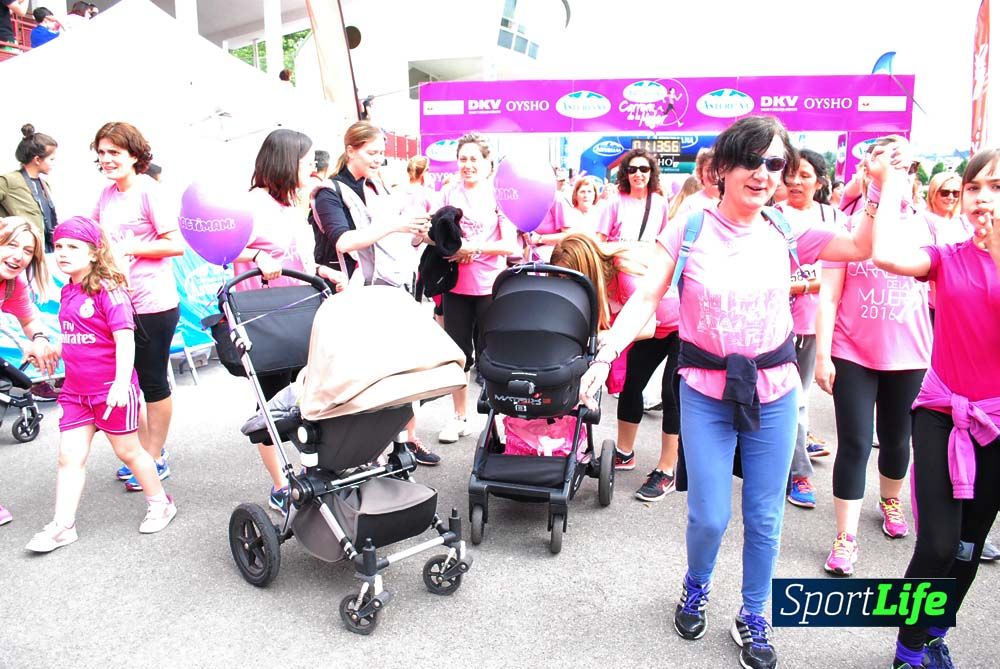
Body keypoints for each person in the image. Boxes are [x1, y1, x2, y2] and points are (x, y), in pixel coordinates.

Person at [578, 116, 878, 669]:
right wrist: (604, 355)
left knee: (766, 516)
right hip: (704, 391)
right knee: (710, 515)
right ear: (721, 170)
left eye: (775, 164)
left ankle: (755, 613)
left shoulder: (788, 229)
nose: (764, 174)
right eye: (753, 161)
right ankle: (696, 585)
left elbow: (860, 244)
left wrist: (879, 185)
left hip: (775, 390)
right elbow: (646, 297)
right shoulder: (689, 228)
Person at [872, 146, 1000, 669]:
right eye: (974, 187)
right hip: (942, 412)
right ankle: (907, 646)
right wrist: (891, 182)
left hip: (996, 424)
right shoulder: (947, 256)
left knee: (969, 550)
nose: (980, 198)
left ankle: (933, 634)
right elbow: (884, 256)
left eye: (995, 187)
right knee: (939, 546)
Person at [814, 136, 932, 576]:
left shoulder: (929, 225)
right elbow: (828, 297)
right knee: (856, 442)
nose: (889, 168)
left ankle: (890, 500)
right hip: (853, 353)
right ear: (866, 170)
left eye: (899, 161)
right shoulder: (847, 226)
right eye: (881, 160)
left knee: (898, 439)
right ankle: (845, 536)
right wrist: (823, 356)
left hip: (910, 355)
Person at [25, 217, 177, 553]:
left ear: (94, 253)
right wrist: (56, 349)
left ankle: (160, 503)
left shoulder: (110, 290)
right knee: (68, 458)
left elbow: (125, 340)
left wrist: (122, 385)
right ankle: (63, 526)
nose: (63, 253)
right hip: (77, 394)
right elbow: (81, 338)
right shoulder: (68, 291)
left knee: (129, 452)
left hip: (111, 392)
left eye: (73, 247)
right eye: (59, 246)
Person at [229, 128, 342, 513]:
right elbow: (224, 246)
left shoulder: (291, 203)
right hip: (264, 318)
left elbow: (298, 258)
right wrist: (257, 257)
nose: (313, 167)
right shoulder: (251, 204)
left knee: (309, 396)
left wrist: (326, 273)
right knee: (273, 405)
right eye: (307, 161)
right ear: (285, 162)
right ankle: (282, 486)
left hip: (301, 309)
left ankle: (316, 473)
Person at [308, 121, 435, 463]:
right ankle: (365, 451)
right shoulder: (328, 193)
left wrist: (417, 231)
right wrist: (395, 224)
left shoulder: (377, 188)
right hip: (350, 296)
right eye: (372, 153)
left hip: (388, 291)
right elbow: (345, 241)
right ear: (350, 150)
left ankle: (405, 442)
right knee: (364, 378)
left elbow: (389, 241)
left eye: (382, 153)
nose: (379, 160)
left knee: (399, 371)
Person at [91, 122, 184, 492]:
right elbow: (98, 240)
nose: (107, 160)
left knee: (152, 382)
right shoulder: (105, 195)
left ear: (134, 155)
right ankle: (143, 453)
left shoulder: (148, 191)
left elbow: (176, 244)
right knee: (127, 381)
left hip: (153, 302)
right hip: (117, 303)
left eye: (114, 152)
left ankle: (155, 455)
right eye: (101, 153)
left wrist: (129, 248)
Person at [551, 233, 680, 501]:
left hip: (676, 325)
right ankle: (624, 452)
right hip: (651, 330)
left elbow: (646, 325)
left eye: (568, 278)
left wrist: (607, 340)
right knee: (633, 384)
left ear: (585, 270)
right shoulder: (592, 286)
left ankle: (667, 470)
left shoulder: (624, 275)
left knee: (672, 392)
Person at [434, 133, 518, 444]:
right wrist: (450, 248)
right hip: (455, 287)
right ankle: (459, 417)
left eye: (474, 159)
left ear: (488, 164)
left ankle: (497, 419)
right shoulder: (447, 193)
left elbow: (510, 244)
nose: (468, 165)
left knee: (492, 356)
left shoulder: (500, 195)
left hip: (489, 287)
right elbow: (434, 235)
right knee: (458, 355)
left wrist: (474, 248)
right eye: (463, 159)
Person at [775, 149, 844, 509]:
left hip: (815, 324)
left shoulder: (833, 216)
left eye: (804, 175)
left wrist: (804, 285)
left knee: (798, 402)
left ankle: (795, 470)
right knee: (789, 403)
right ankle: (792, 470)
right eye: (790, 174)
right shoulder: (771, 216)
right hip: (775, 325)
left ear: (819, 180)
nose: (795, 181)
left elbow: (846, 267)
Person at [0, 215, 58, 530]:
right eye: (11, 245)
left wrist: (37, 340)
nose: (18, 256)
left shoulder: (13, 282)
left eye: (27, 252)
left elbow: (30, 321)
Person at [0, 124, 58, 252]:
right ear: (37, 159)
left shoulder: (45, 185)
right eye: (52, 159)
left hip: (44, 250)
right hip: (19, 251)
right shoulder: (9, 180)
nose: (54, 163)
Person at [598, 148, 668, 244]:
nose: (638, 174)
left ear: (651, 172)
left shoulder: (661, 203)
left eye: (644, 169)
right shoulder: (614, 201)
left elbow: (663, 241)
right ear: (626, 174)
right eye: (632, 170)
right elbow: (600, 239)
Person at [527, 176, 604, 256]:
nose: (586, 195)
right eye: (582, 192)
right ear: (576, 194)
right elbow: (568, 236)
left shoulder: (601, 213)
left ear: (595, 194)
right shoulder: (568, 212)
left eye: (589, 191)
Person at [671, 148, 720, 220]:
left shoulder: (736, 202)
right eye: (709, 170)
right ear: (700, 173)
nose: (715, 175)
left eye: (719, 169)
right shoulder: (690, 204)